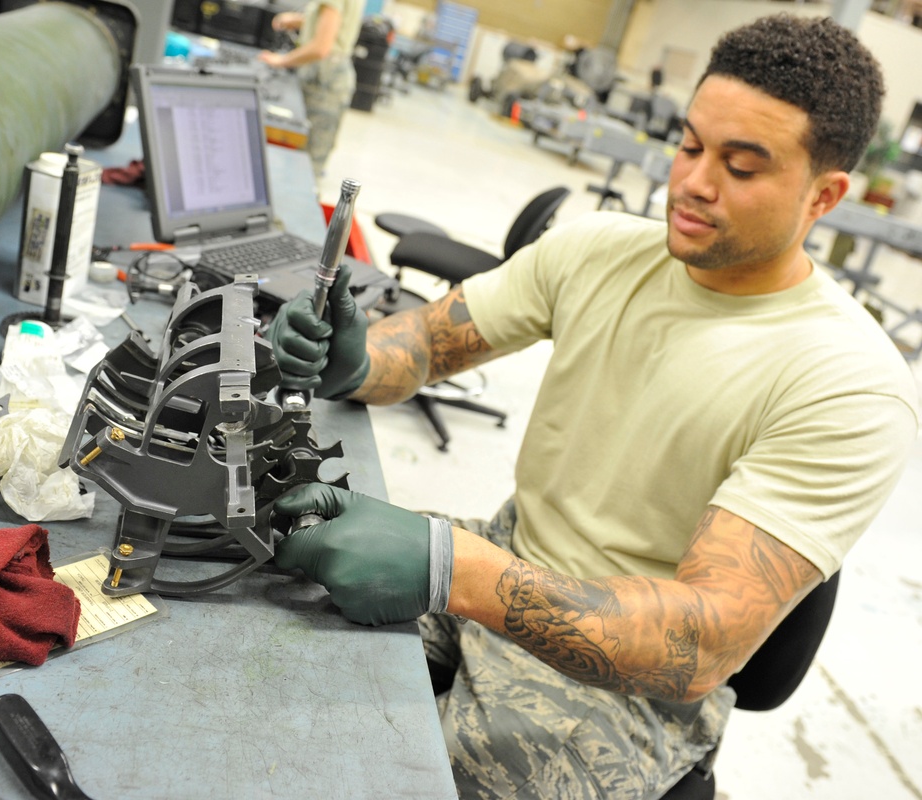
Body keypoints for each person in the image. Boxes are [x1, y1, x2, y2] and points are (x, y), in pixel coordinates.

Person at [266, 14, 919, 799]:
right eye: (689, 146)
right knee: (271, 606)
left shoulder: (848, 381)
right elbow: (432, 344)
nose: (694, 183)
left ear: (825, 195)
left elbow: (698, 644)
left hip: (631, 687)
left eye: (741, 168)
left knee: (379, 781)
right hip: (513, 552)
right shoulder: (602, 250)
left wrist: (453, 570)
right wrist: (357, 358)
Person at [258, 0, 366, 180]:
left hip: (323, 77)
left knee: (306, 166)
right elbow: (334, 23)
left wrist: (282, 61)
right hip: (333, 73)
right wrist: (301, 21)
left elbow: (321, 48)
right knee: (311, 156)